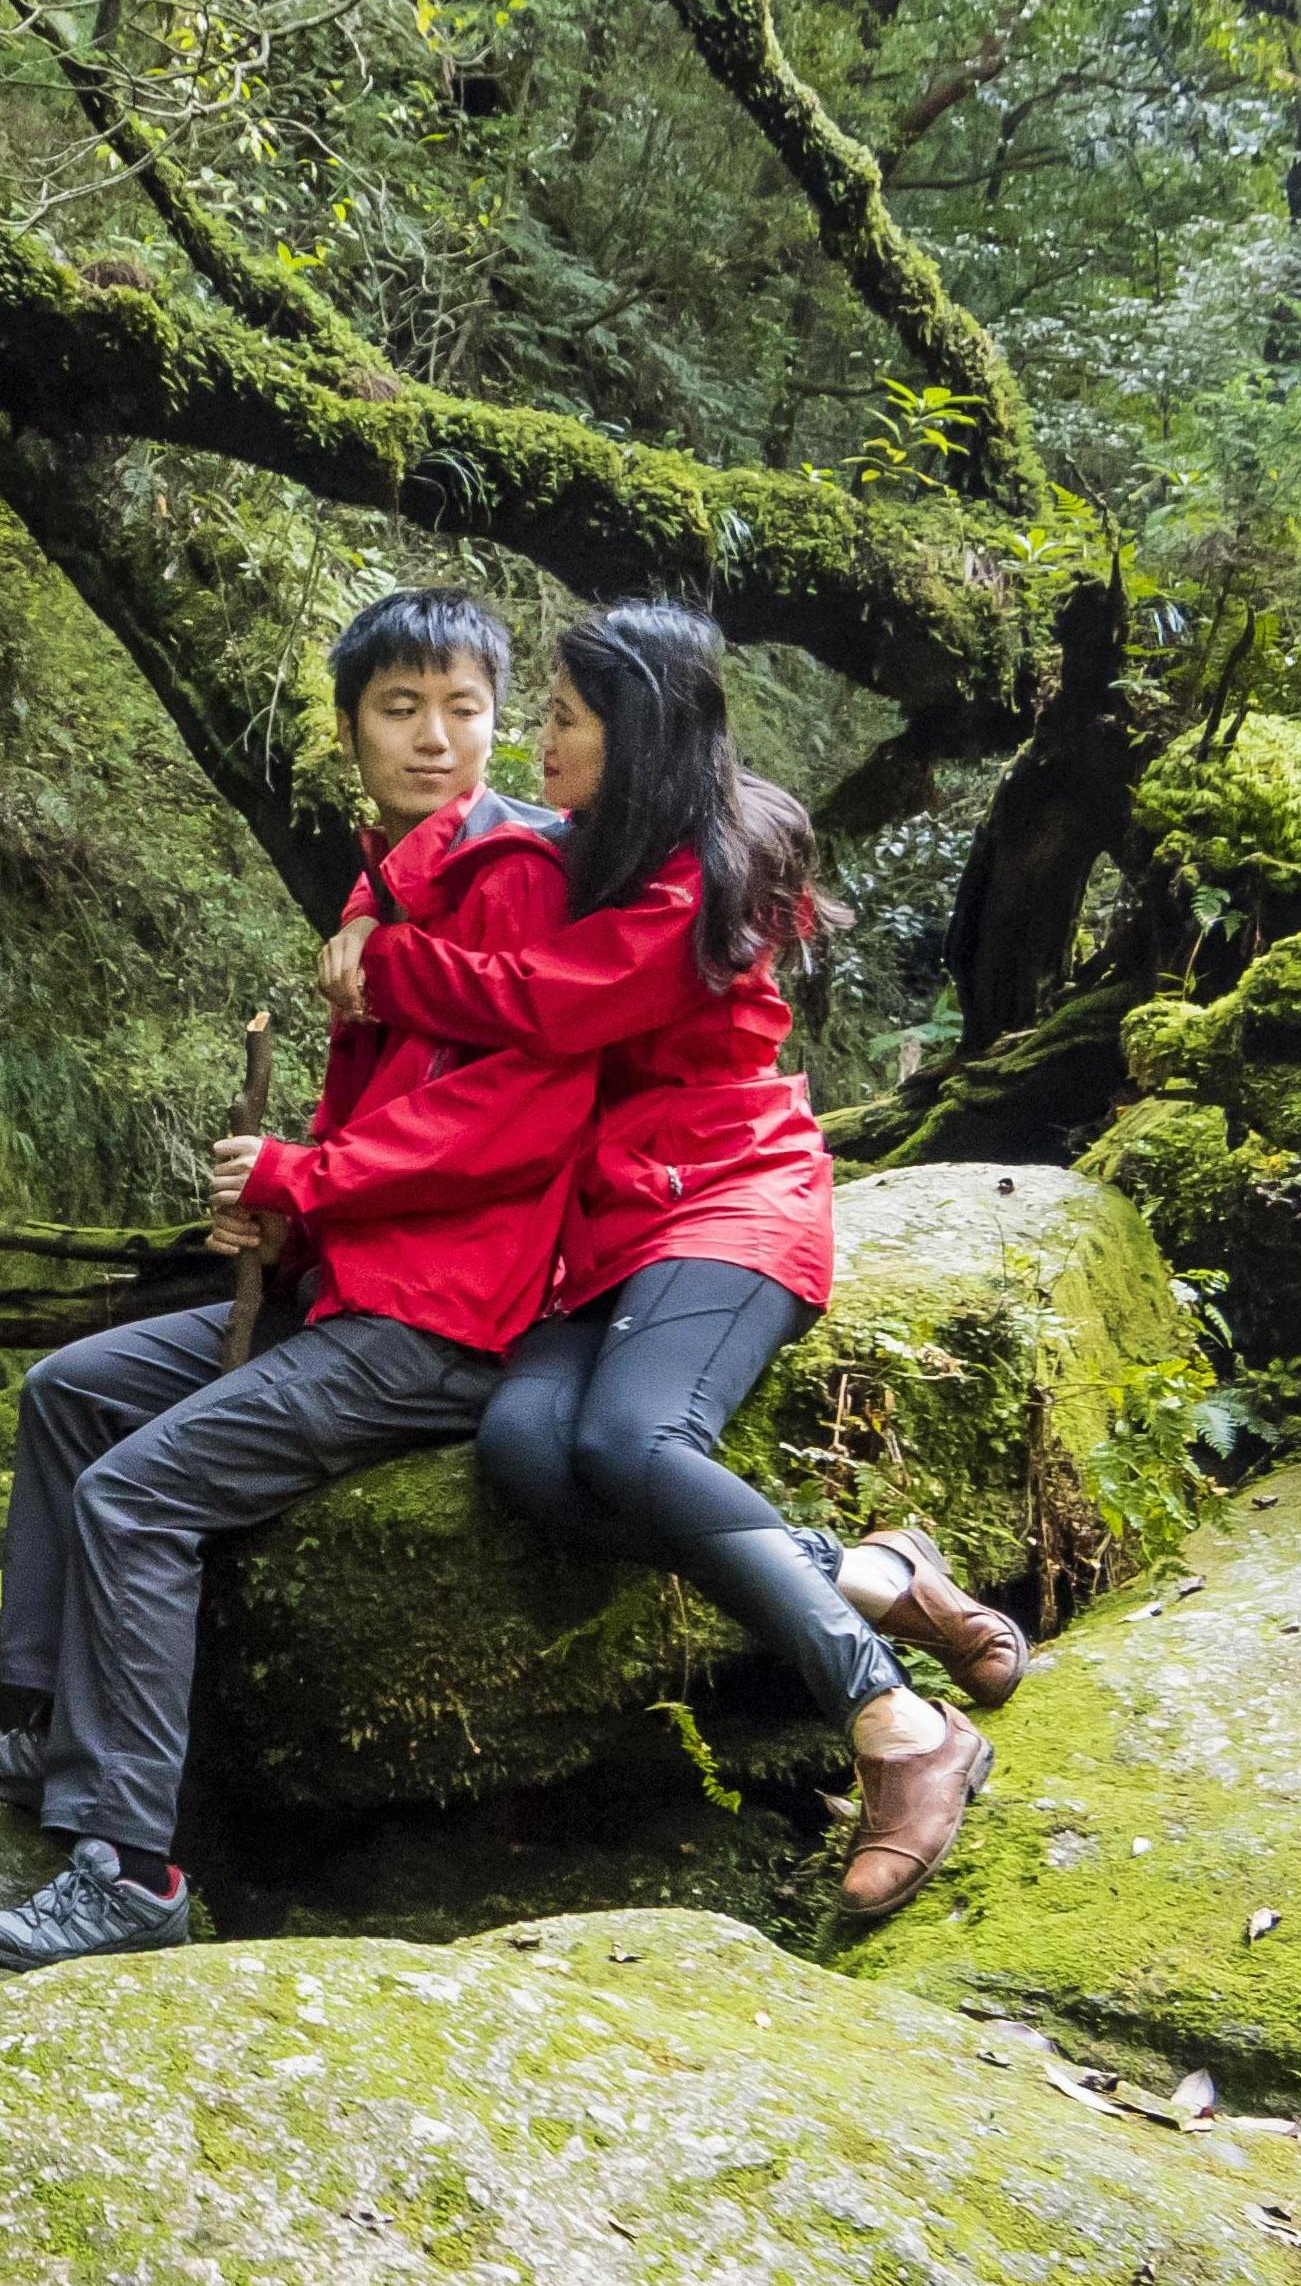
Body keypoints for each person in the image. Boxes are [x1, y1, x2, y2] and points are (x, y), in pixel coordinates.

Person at [314, 598, 1028, 1920]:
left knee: (632, 1446)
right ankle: (874, 1574)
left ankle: (899, 1728)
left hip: (727, 1203)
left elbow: (546, 1004)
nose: (536, 743)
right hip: (604, 1233)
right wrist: (367, 915)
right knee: (529, 1452)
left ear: (633, 736)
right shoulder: (593, 839)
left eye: (563, 722)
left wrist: (393, 965)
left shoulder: (701, 870)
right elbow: (460, 854)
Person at [0, 587, 594, 1970]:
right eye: (400, 709)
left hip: (439, 1318)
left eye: (463, 711)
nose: (433, 738)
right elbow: (399, 1107)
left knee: (138, 1496)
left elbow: (514, 1117)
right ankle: (54, 1731)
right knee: (65, 1394)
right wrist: (292, 1214)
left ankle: (131, 1865)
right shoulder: (393, 881)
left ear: (500, 728)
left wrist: (303, 1180)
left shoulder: (514, 878)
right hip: (351, 1283)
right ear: (349, 729)